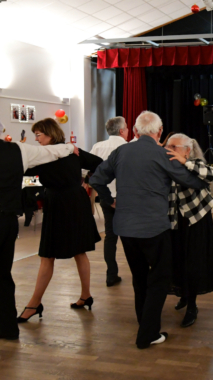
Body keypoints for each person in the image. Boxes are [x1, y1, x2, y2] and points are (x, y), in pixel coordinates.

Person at [90, 111, 207, 349]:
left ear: (135, 131)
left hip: (125, 228)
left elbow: (96, 179)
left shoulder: (121, 152)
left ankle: (144, 321)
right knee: (161, 278)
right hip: (154, 228)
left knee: (139, 276)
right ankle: (148, 334)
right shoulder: (162, 154)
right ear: (160, 132)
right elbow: (192, 181)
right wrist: (197, 173)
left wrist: (109, 200)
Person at [17, 119, 102, 323]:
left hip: (68, 202)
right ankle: (42, 301)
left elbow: (99, 164)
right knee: (54, 253)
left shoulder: (69, 151)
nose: (36, 139)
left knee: (62, 253)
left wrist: (88, 181)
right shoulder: (58, 152)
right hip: (64, 202)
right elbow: (24, 174)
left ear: (49, 133)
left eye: (38, 134)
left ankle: (39, 303)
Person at [0, 120, 78, 340]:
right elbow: (52, 152)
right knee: (3, 275)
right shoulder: (17, 150)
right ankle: (7, 328)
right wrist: (69, 147)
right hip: (6, 221)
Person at [164, 134, 213, 328]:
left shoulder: (195, 164)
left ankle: (192, 305)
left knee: (193, 261)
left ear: (187, 150)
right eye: (167, 146)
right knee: (178, 259)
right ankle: (184, 295)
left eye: (174, 147)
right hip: (175, 220)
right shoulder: (166, 165)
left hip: (197, 220)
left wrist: (185, 162)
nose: (169, 149)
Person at [88, 116, 129, 287]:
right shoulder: (128, 147)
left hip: (106, 197)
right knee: (130, 237)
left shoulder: (97, 147)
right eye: (126, 128)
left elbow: (89, 171)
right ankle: (138, 272)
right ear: (121, 130)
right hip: (125, 199)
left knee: (110, 237)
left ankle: (111, 274)